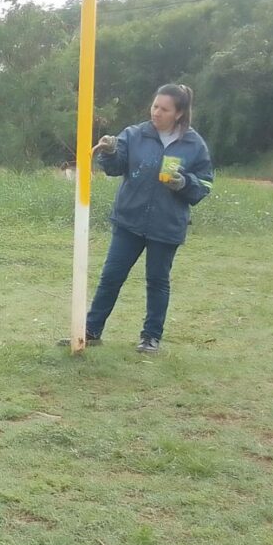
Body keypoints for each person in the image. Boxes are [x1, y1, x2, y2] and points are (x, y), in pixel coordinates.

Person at [75, 84, 214, 353]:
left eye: (164, 109)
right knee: (111, 276)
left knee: (157, 281)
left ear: (179, 113)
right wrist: (110, 151)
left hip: (167, 225)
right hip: (130, 220)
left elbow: (205, 184)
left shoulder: (194, 145)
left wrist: (184, 183)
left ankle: (150, 337)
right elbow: (115, 169)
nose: (156, 112)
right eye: (154, 106)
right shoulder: (134, 134)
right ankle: (91, 330)